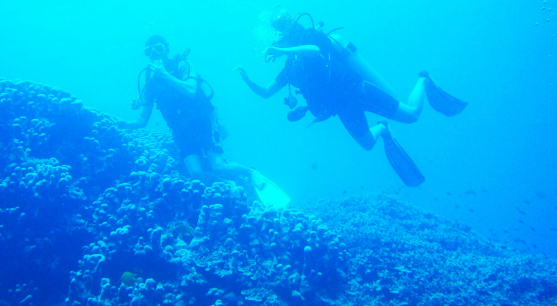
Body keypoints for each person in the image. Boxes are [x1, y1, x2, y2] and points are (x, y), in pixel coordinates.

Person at [237, 12, 467, 187]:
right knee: (368, 144)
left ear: (287, 34)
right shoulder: (292, 67)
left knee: (412, 116)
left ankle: (423, 80)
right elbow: (267, 91)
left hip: (359, 91)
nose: (276, 40)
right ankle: (383, 129)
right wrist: (247, 80)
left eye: (279, 36)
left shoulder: (313, 37)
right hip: (342, 108)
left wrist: (283, 51)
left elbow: (315, 50)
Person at [118, 35, 290, 207]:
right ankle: (231, 186)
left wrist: (164, 74)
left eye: (159, 49)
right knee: (196, 175)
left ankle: (251, 172)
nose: (154, 54)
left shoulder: (182, 64)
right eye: (149, 52)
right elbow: (142, 119)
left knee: (219, 167)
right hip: (181, 131)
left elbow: (191, 90)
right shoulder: (149, 81)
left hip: (203, 123)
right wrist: (122, 125)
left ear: (167, 49)